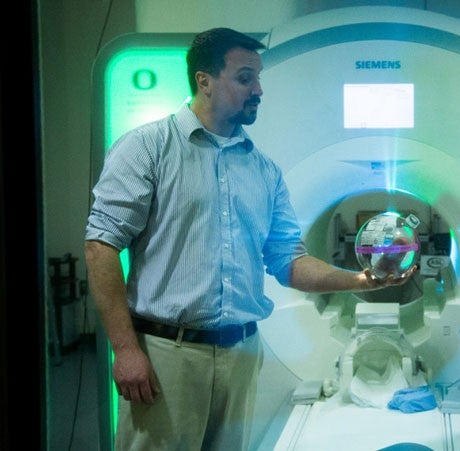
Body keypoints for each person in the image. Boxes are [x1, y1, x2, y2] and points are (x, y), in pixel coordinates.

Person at [84, 27, 414, 451]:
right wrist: (125, 350)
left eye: (258, 78)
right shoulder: (148, 147)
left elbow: (289, 262)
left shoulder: (263, 170)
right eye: (244, 78)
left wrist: (362, 281)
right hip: (169, 355)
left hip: (241, 354)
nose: (258, 89)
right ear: (204, 81)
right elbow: (100, 246)